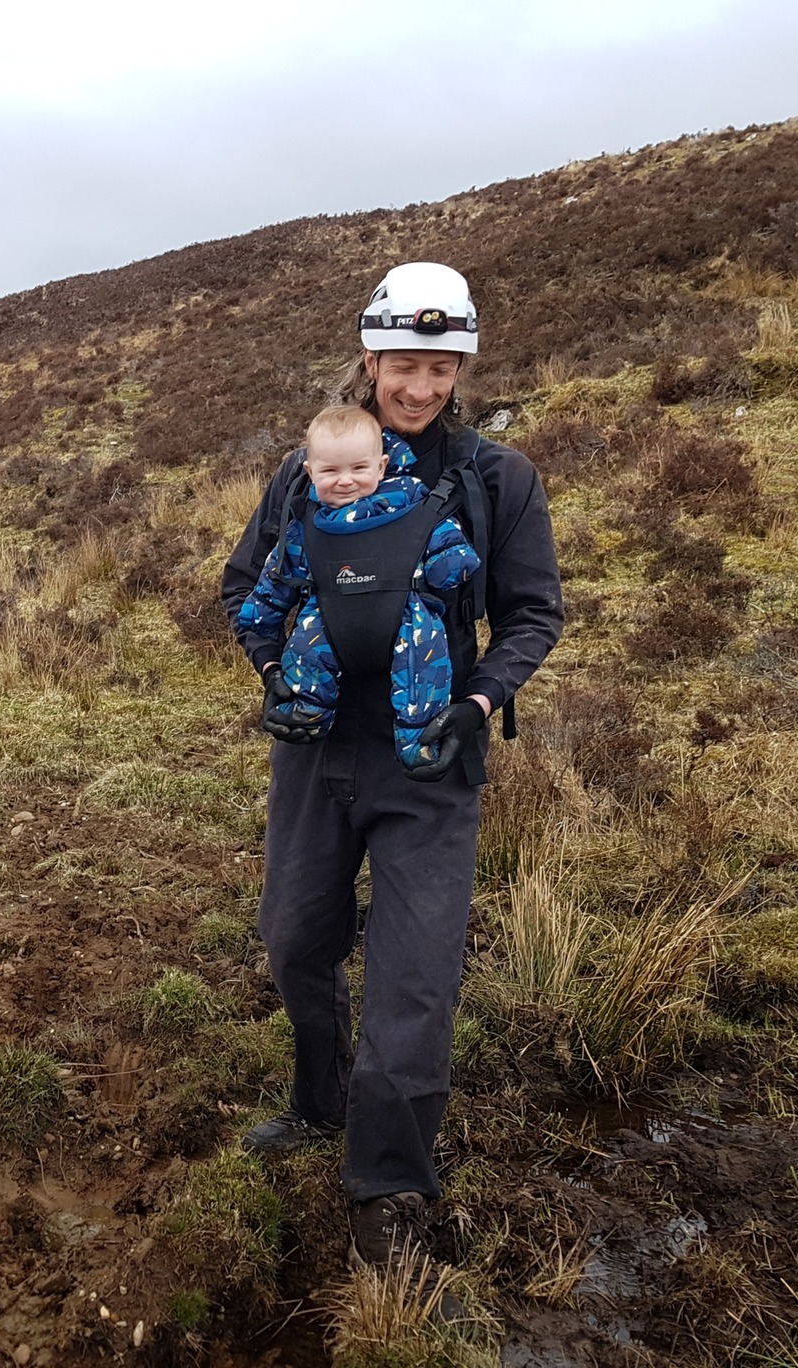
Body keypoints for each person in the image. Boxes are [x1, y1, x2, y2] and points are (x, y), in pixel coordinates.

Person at [220, 261, 563, 1268]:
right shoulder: (311, 470)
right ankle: (319, 1101)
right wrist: (276, 679)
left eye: (440, 368)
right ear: (369, 359)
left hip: (430, 758)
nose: (420, 386)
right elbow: (247, 587)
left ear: (461, 370)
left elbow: (534, 614)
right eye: (403, 364)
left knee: (414, 979)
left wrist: (478, 702)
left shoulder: (499, 479)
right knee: (294, 940)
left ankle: (390, 1183)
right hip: (317, 751)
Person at [234, 404, 481, 766]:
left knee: (422, 667)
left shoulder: (411, 497)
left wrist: (453, 561)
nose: (345, 480)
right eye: (330, 471)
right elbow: (280, 572)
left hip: (408, 616)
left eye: (358, 469)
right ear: (310, 471)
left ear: (381, 466)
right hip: (327, 615)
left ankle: (420, 742)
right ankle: (307, 714)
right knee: (307, 652)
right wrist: (259, 615)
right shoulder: (305, 518)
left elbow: (438, 531)